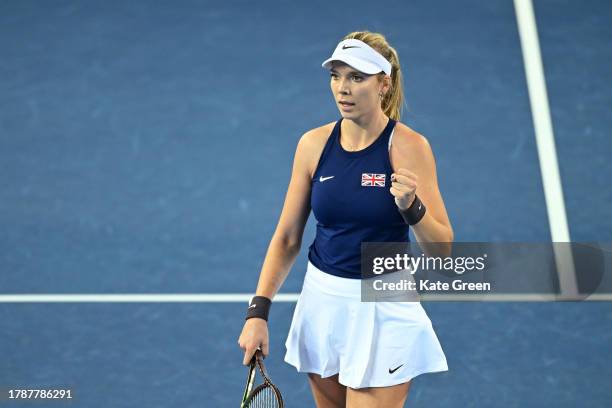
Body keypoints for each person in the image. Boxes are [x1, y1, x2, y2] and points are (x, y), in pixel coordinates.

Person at [238, 31, 453, 408]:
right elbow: (288, 237)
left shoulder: (409, 147)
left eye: (357, 77)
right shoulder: (313, 144)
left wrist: (412, 207)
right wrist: (258, 312)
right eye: (336, 76)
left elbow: (443, 249)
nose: (343, 88)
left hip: (384, 303)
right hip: (324, 302)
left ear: (384, 84)